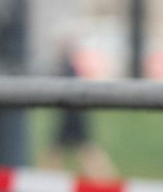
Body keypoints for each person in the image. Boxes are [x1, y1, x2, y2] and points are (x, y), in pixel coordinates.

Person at [40, 42, 117, 179]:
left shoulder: (67, 71)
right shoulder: (71, 71)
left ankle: (106, 179)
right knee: (64, 152)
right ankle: (106, 179)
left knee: (80, 151)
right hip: (73, 118)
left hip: (71, 119)